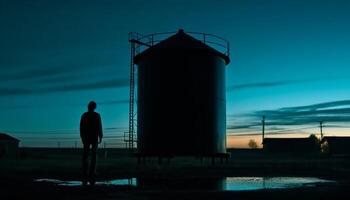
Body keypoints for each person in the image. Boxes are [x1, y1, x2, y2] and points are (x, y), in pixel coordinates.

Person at [80, 101, 103, 186]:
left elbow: (81, 127)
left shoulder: (84, 115)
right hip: (93, 138)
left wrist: (82, 137)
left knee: (85, 155)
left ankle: (85, 172)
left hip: (86, 137)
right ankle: (92, 172)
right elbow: (99, 126)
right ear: (94, 107)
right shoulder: (97, 115)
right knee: (93, 155)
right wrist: (100, 136)